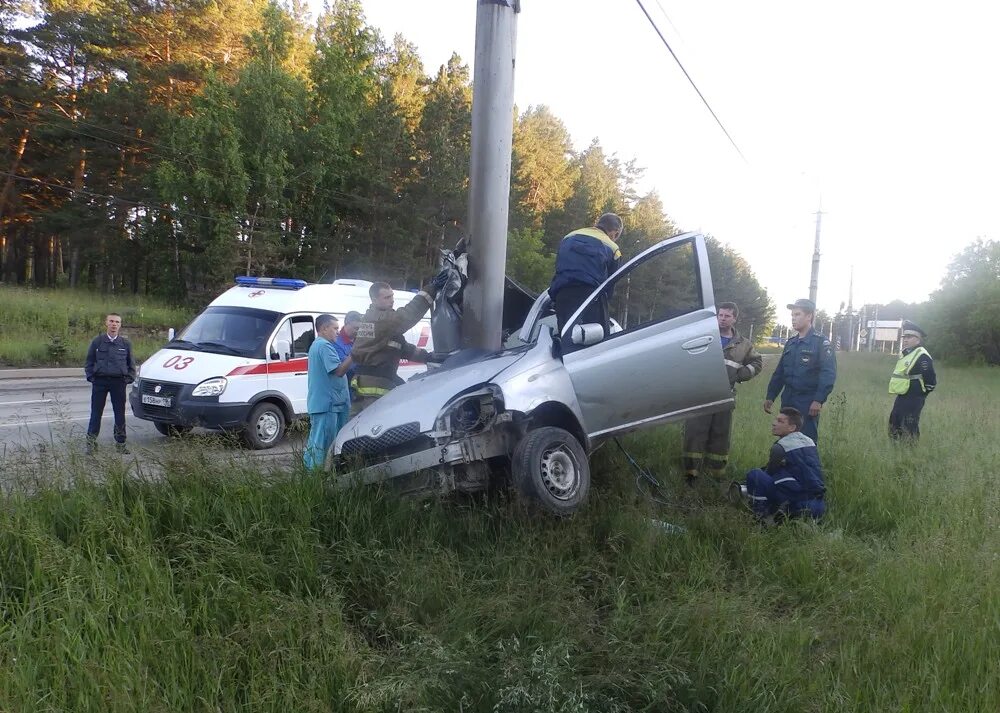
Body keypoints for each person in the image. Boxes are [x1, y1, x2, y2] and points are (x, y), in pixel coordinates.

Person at [683, 302, 763, 483]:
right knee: (695, 433)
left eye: (727, 316)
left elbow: (757, 363)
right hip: (700, 394)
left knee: (721, 434)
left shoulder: (743, 344)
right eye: (720, 315)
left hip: (725, 396)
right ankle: (691, 473)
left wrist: (743, 373)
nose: (722, 319)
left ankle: (716, 475)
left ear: (734, 318)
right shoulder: (705, 336)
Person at [351, 274, 447, 411]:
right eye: (387, 297)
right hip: (374, 388)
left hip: (371, 383)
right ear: (374, 300)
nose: (392, 300)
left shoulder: (375, 320)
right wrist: (430, 289)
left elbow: (401, 347)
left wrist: (428, 357)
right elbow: (407, 316)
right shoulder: (380, 319)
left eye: (392, 296)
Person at [731, 407, 826, 521]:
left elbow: (770, 472)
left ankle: (761, 516)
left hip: (797, 505)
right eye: (776, 420)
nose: (774, 423)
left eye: (780, 421)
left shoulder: (780, 447)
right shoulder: (809, 441)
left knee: (755, 475)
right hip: (818, 505)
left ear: (792, 428)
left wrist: (748, 483)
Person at [764, 298, 836, 442]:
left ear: (809, 316)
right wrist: (771, 396)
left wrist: (818, 400)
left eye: (797, 315)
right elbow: (780, 373)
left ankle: (806, 465)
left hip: (807, 401)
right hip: (788, 399)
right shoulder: (791, 343)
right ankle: (784, 464)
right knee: (785, 438)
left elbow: (828, 373)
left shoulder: (821, 342)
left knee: (806, 440)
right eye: (792, 315)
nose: (793, 319)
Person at [549, 212, 623, 336]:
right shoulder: (612, 248)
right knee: (597, 343)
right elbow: (610, 285)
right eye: (617, 236)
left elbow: (559, 266)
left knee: (566, 340)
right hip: (590, 299)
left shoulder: (569, 237)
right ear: (615, 232)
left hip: (562, 296)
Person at [303, 314, 353, 470]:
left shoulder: (317, 345)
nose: (338, 332)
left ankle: (313, 477)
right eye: (335, 328)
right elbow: (338, 371)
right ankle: (317, 479)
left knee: (317, 442)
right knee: (323, 445)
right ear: (324, 328)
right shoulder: (324, 346)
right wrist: (354, 355)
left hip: (327, 403)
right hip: (327, 404)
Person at [84, 312, 136, 454]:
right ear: (106, 323)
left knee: (119, 414)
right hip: (100, 382)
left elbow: (131, 364)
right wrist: (91, 377)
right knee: (96, 413)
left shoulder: (125, 344)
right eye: (111, 321)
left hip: (118, 383)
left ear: (120, 325)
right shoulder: (97, 341)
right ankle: (91, 443)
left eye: (117, 322)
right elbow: (89, 361)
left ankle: (120, 444)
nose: (114, 324)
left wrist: (128, 379)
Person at [888, 320, 936, 440]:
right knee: (895, 421)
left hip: (914, 396)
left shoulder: (922, 355)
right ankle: (897, 449)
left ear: (918, 339)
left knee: (909, 424)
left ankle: (910, 452)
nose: (905, 340)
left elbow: (930, 379)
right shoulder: (907, 353)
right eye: (904, 337)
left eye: (909, 337)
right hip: (903, 394)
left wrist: (921, 393)